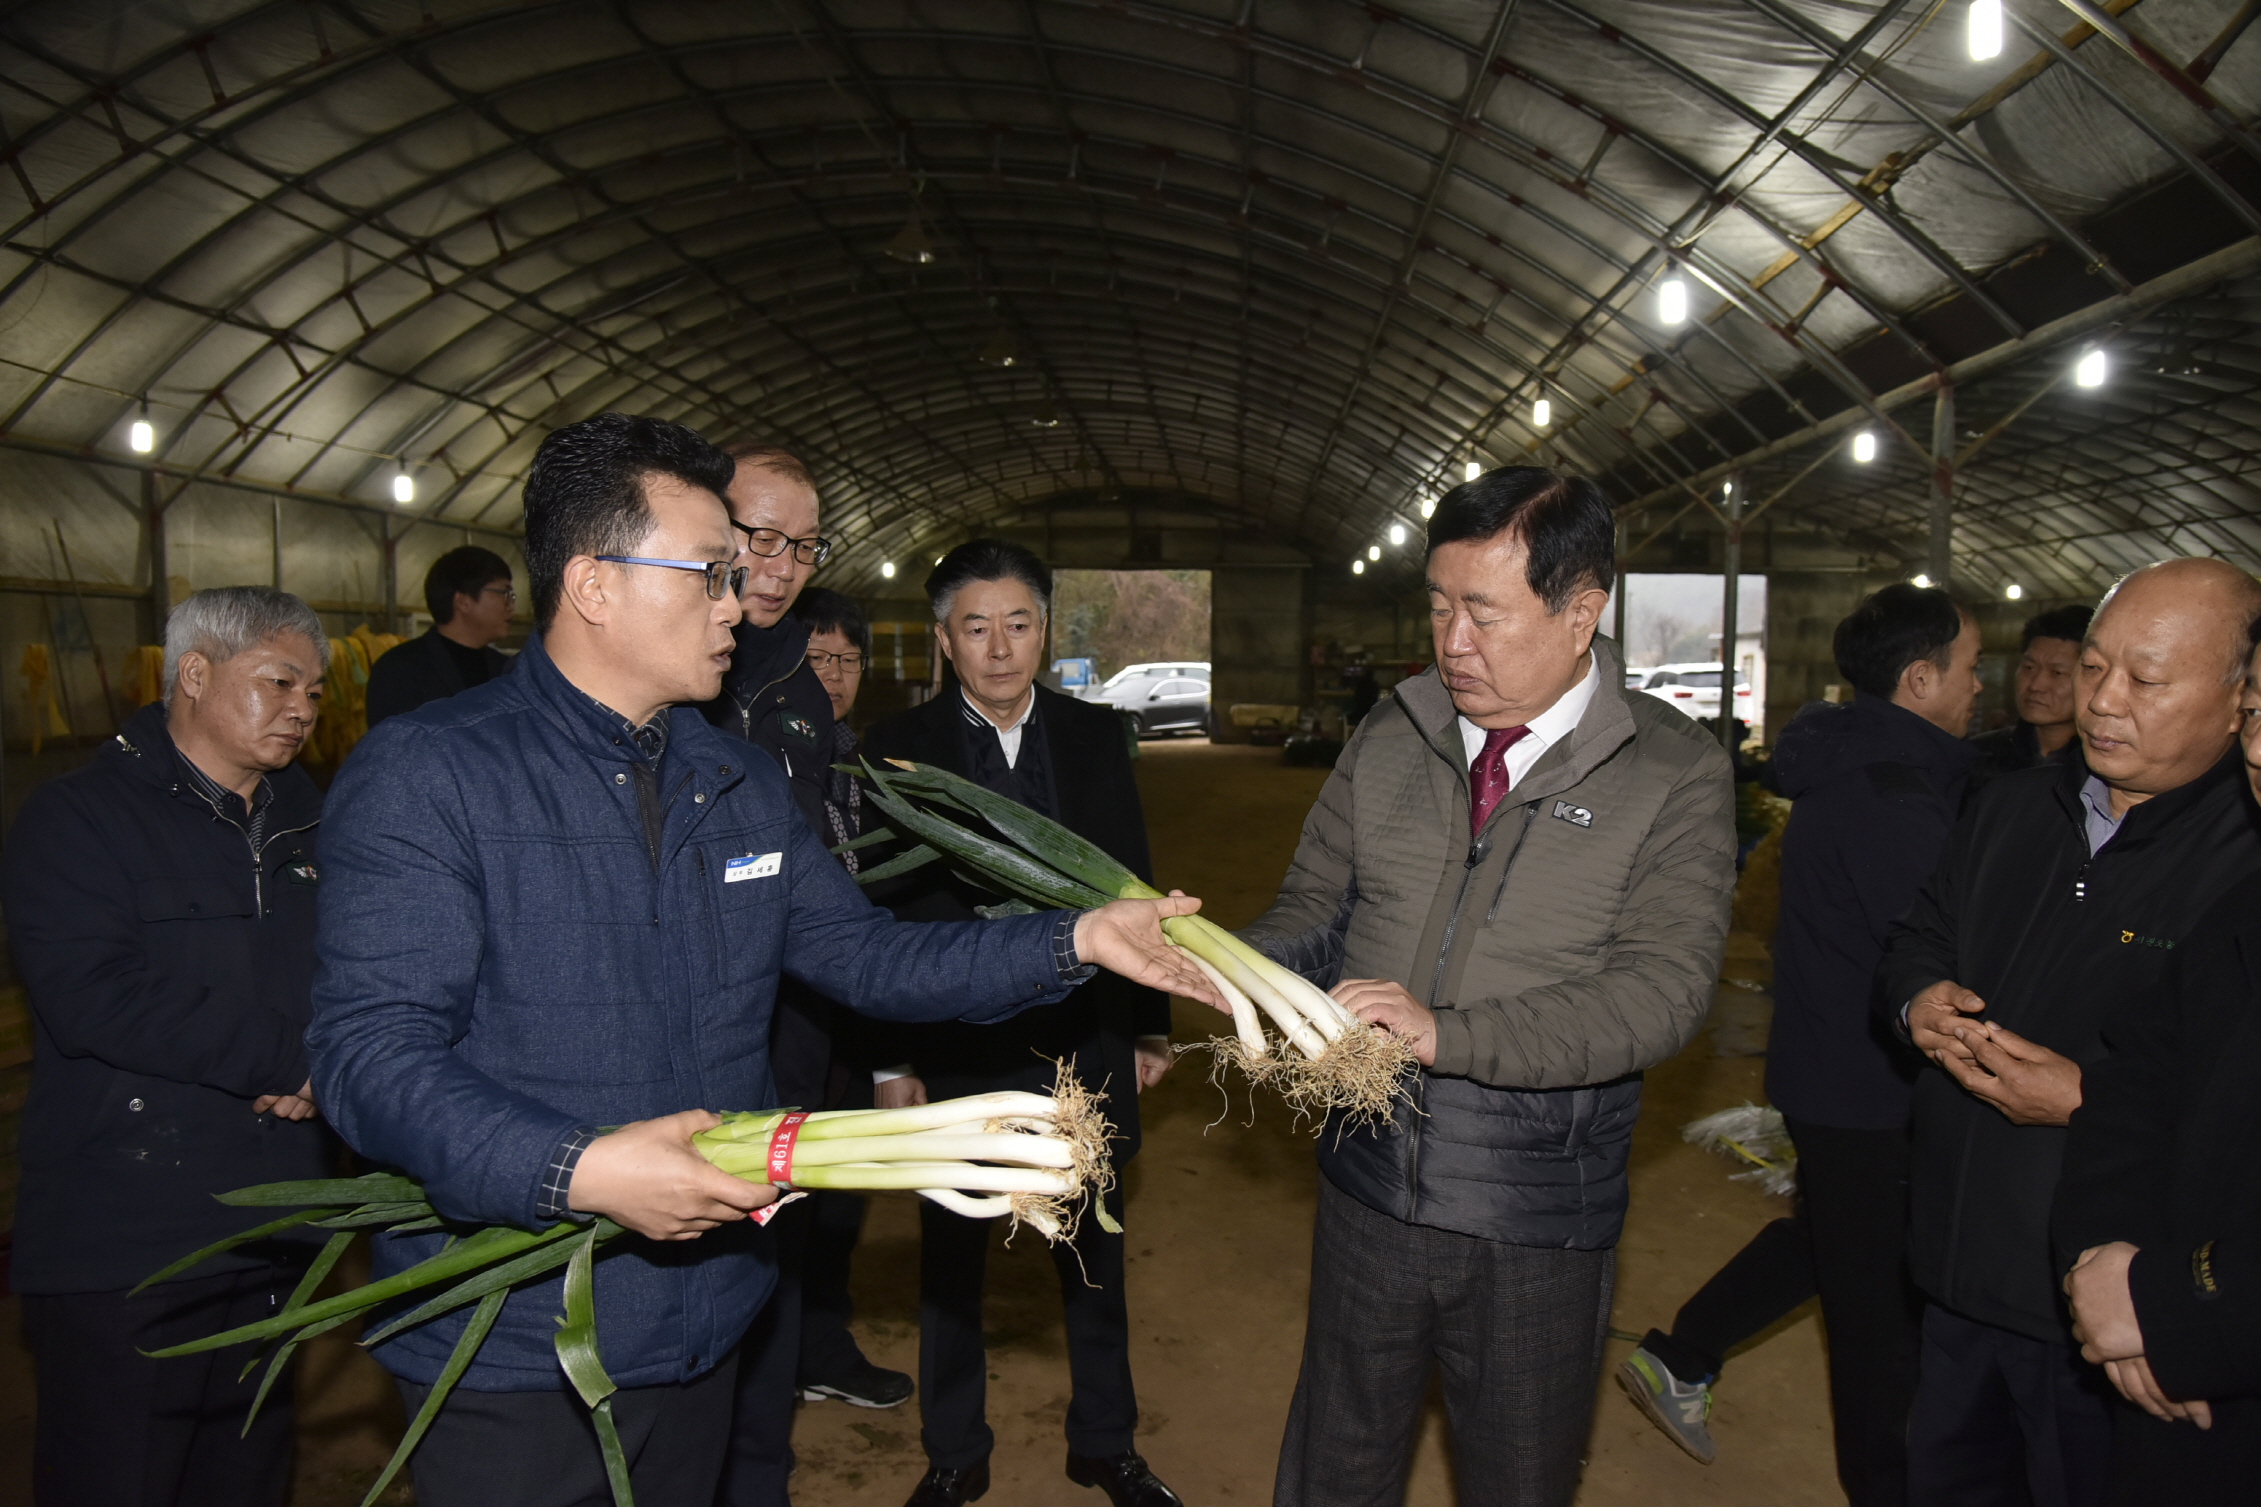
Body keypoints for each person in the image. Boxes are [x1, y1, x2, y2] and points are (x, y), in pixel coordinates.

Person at [304, 413, 1221, 1507]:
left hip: (712, 1314)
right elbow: (370, 1054)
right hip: (521, 1344)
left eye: (738, 575)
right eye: (708, 574)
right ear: (595, 584)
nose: (739, 603)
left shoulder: (731, 779)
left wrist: (1073, 937)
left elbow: (868, 957)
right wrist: (577, 1171)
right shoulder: (432, 774)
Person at [1245, 467, 1739, 1507]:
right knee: (1334, 1466)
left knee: (1516, 1478)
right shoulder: (1393, 733)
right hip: (1367, 1185)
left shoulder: (1671, 772)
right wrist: (1227, 963)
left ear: (1580, 611)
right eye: (1435, 603)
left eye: (1481, 611)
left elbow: (1659, 991)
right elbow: (1311, 911)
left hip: (1535, 1217)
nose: (1449, 640)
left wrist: (1445, 1033)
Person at [1880, 557, 2261, 1506]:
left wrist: (2082, 1101)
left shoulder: (2240, 870)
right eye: (2092, 668)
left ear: (2235, 701)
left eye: (2147, 679)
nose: (2102, 700)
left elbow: (2230, 1114)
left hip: (2104, 1305)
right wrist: (1917, 997)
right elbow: (1916, 936)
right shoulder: (2012, 806)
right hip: (1960, 1268)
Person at [1619, 584, 1983, 1504]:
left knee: (1833, 1243)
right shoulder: (1892, 800)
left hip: (1831, 1070)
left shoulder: (1866, 764)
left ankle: (1680, 1354)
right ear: (1920, 677)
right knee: (1879, 1324)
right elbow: (1932, 950)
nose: (1984, 688)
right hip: (1872, 1087)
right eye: (1973, 670)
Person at [861, 539, 1181, 1507]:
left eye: (1018, 623)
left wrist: (1149, 1027)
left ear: (1045, 629)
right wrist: (889, 1055)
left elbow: (1133, 874)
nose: (999, 648)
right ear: (944, 639)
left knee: (1091, 1237)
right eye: (975, 627)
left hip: (1084, 1030)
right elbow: (878, 914)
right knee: (952, 1249)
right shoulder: (895, 745)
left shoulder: (1093, 733)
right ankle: (954, 1451)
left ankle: (1104, 1441)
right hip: (957, 1034)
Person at [4, 586, 334, 1507]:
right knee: (122, 1473)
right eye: (279, 680)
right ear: (194, 673)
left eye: (312, 688)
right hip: (131, 1232)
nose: (303, 706)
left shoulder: (315, 824)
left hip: (276, 1221)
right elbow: (94, 997)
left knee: (246, 1469)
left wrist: (337, 1054)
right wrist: (288, 1059)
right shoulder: (79, 820)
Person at [694, 451, 905, 1505]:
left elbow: (824, 868)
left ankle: (759, 1471)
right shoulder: (674, 671)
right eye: (755, 536)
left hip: (790, 1024)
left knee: (775, 1244)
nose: (775, 567)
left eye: (802, 545)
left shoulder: (795, 686)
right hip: (679, 1041)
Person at [2052, 622, 2261, 1500]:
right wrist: (2106, 1262)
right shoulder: (2244, 908)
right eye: (2259, 711)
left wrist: (2171, 1304)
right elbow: (2136, 1081)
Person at [780, 587, 907, 1410]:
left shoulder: (862, 766)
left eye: (846, 660)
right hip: (786, 1021)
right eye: (814, 659)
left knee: (837, 1200)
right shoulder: (763, 762)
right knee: (782, 1198)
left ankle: (817, 1345)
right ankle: (775, 1356)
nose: (832, 676)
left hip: (850, 1021)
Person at [365, 545, 516, 727]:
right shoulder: (399, 671)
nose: (510, 605)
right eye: (504, 593)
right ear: (463, 601)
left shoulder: (509, 670)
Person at [1967, 605, 2092, 795]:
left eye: (2057, 672)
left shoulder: (2101, 768)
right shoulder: (1977, 756)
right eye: (2029, 667)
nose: (2036, 685)